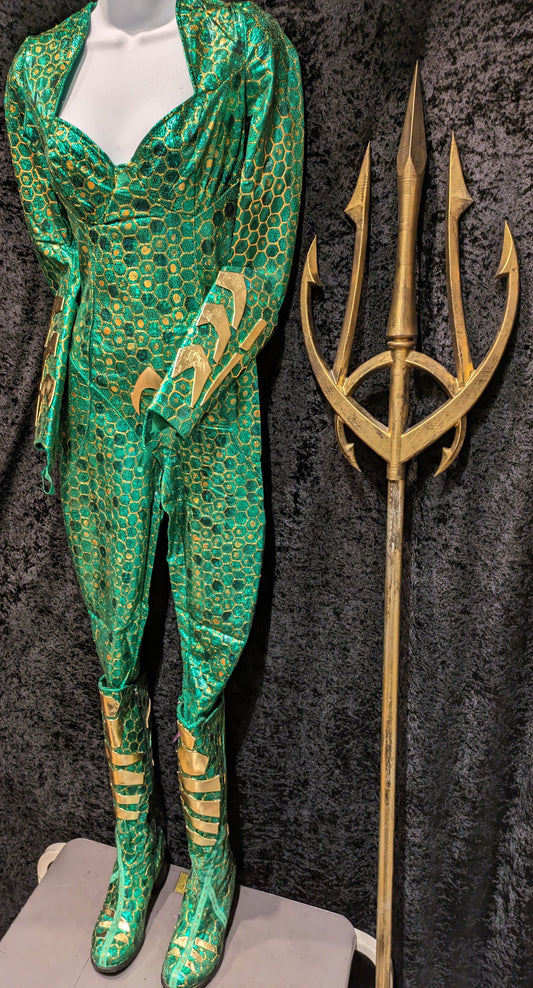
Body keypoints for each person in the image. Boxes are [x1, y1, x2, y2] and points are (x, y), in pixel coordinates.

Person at [4, 1, 304, 985]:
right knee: (113, 637)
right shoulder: (35, 73)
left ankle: (211, 865)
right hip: (95, 391)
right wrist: (78, 390)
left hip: (207, 388)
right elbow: (61, 253)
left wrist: (186, 381)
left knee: (210, 629)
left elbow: (261, 243)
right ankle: (136, 851)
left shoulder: (243, 49)